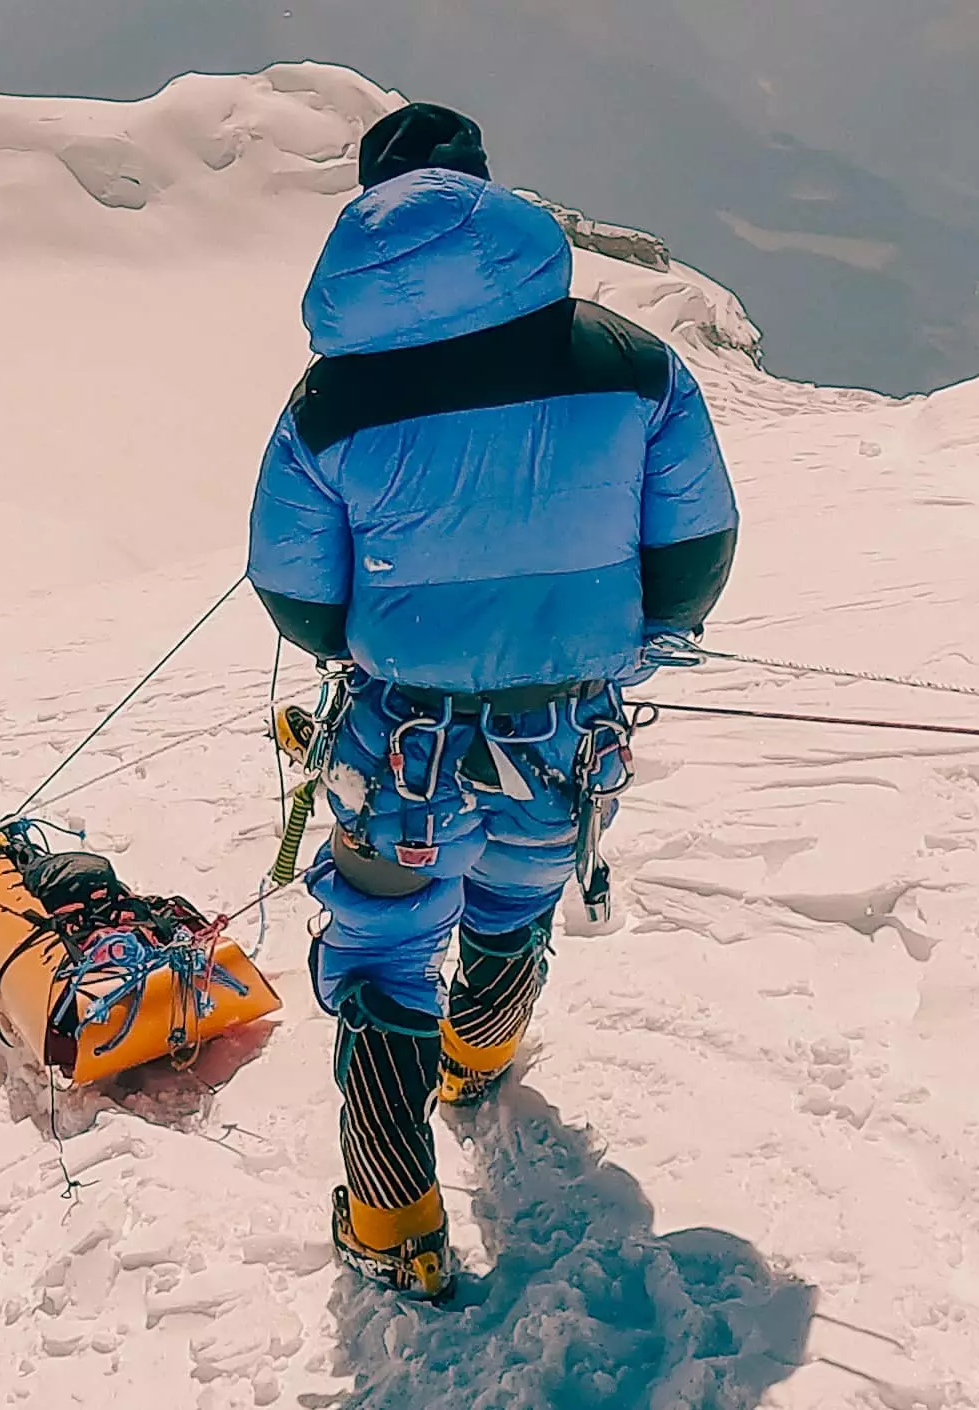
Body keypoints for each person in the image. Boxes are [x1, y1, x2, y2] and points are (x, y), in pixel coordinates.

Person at [246, 102, 738, 1300]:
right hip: (564, 723)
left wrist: (374, 641)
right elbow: (694, 543)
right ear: (484, 195)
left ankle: (392, 1215)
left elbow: (295, 592)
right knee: (514, 896)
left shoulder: (329, 404)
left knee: (379, 956)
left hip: (399, 735)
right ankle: (477, 1059)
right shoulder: (629, 363)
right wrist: (637, 636)